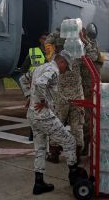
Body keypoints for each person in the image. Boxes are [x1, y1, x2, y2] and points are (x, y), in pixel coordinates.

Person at [27, 50, 83, 195]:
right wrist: (43, 100)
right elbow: (40, 83)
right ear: (62, 62)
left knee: (40, 149)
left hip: (33, 115)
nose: (65, 71)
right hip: (44, 115)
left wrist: (29, 97)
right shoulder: (53, 70)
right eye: (66, 67)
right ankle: (73, 174)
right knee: (70, 141)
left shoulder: (40, 67)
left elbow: (24, 79)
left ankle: (38, 183)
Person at [53, 38, 86, 159]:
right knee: (77, 127)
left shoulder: (57, 60)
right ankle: (76, 154)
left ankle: (54, 152)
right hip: (77, 97)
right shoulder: (78, 58)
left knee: (57, 125)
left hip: (62, 98)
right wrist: (84, 40)